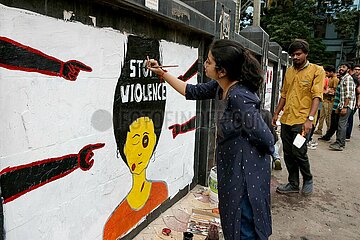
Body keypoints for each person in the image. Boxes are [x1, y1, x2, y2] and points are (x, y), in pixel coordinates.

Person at [147, 39, 275, 240]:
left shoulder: (239, 96)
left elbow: (267, 139)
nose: (205, 64)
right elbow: (191, 91)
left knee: (244, 228)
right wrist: (161, 73)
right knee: (232, 222)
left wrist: (244, 147)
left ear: (222, 70)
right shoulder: (220, 87)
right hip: (232, 168)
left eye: (208, 61)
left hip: (245, 174)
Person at [272, 39, 325, 196]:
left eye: (298, 54)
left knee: (299, 151)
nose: (295, 57)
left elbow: (317, 96)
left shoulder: (317, 71)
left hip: (302, 121)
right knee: (288, 152)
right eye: (293, 55)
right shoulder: (289, 71)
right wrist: (276, 113)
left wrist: (310, 119)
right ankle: (293, 183)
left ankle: (308, 179)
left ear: (306, 54)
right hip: (287, 119)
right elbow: (284, 94)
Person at [319, 63, 356, 150]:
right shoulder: (343, 79)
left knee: (341, 125)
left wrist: (345, 107)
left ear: (348, 69)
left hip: (346, 106)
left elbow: (349, 95)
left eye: (344, 67)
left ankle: (340, 144)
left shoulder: (348, 79)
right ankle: (338, 142)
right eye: (340, 67)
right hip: (341, 105)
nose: (341, 69)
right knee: (340, 124)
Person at [314, 65, 339, 135]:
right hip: (325, 100)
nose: (326, 74)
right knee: (321, 116)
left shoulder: (335, 79)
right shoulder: (330, 79)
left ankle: (328, 131)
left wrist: (326, 92)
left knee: (328, 117)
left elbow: (334, 91)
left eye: (327, 73)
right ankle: (319, 129)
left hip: (330, 101)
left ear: (331, 72)